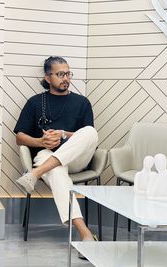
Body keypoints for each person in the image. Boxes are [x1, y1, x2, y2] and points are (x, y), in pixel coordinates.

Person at [14, 56, 98, 257]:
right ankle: (85, 234)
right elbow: (20, 138)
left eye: (68, 73)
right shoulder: (35, 102)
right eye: (60, 74)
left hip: (76, 158)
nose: (66, 78)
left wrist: (62, 134)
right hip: (46, 155)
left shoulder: (82, 102)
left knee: (90, 132)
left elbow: (87, 137)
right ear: (47, 76)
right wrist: (41, 142)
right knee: (57, 170)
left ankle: (35, 174)